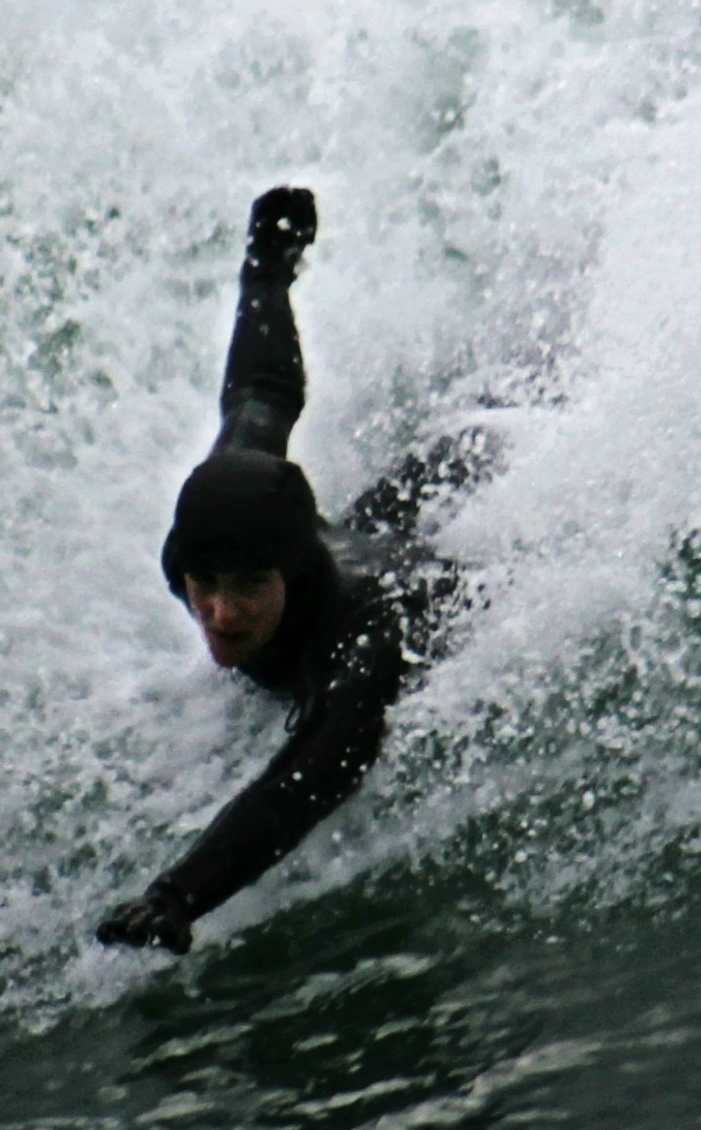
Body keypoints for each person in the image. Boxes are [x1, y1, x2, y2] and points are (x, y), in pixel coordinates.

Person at [94, 185, 454, 954]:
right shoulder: (206, 536)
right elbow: (261, 391)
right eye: (205, 588)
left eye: (248, 589)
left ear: (289, 574)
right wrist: (266, 272)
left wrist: (178, 895)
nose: (219, 615)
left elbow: (302, 784)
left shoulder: (364, 640)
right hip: (376, 521)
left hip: (448, 571)